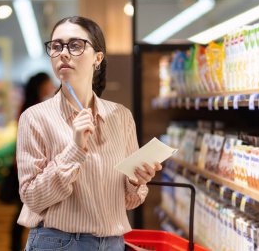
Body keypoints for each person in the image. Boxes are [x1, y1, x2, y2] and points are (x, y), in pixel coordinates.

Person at [16, 16, 162, 251]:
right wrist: (74, 149)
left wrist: (136, 181)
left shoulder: (121, 116)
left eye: (75, 45)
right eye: (56, 46)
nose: (63, 53)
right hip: (59, 243)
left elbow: (129, 201)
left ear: (98, 58)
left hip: (113, 242)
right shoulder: (35, 118)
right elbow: (32, 197)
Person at [0, 72, 55, 251]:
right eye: (48, 83)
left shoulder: (28, 105)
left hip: (24, 166)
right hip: (30, 168)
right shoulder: (34, 109)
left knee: (24, 212)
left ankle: (17, 246)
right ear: (40, 86)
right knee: (26, 211)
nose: (52, 86)